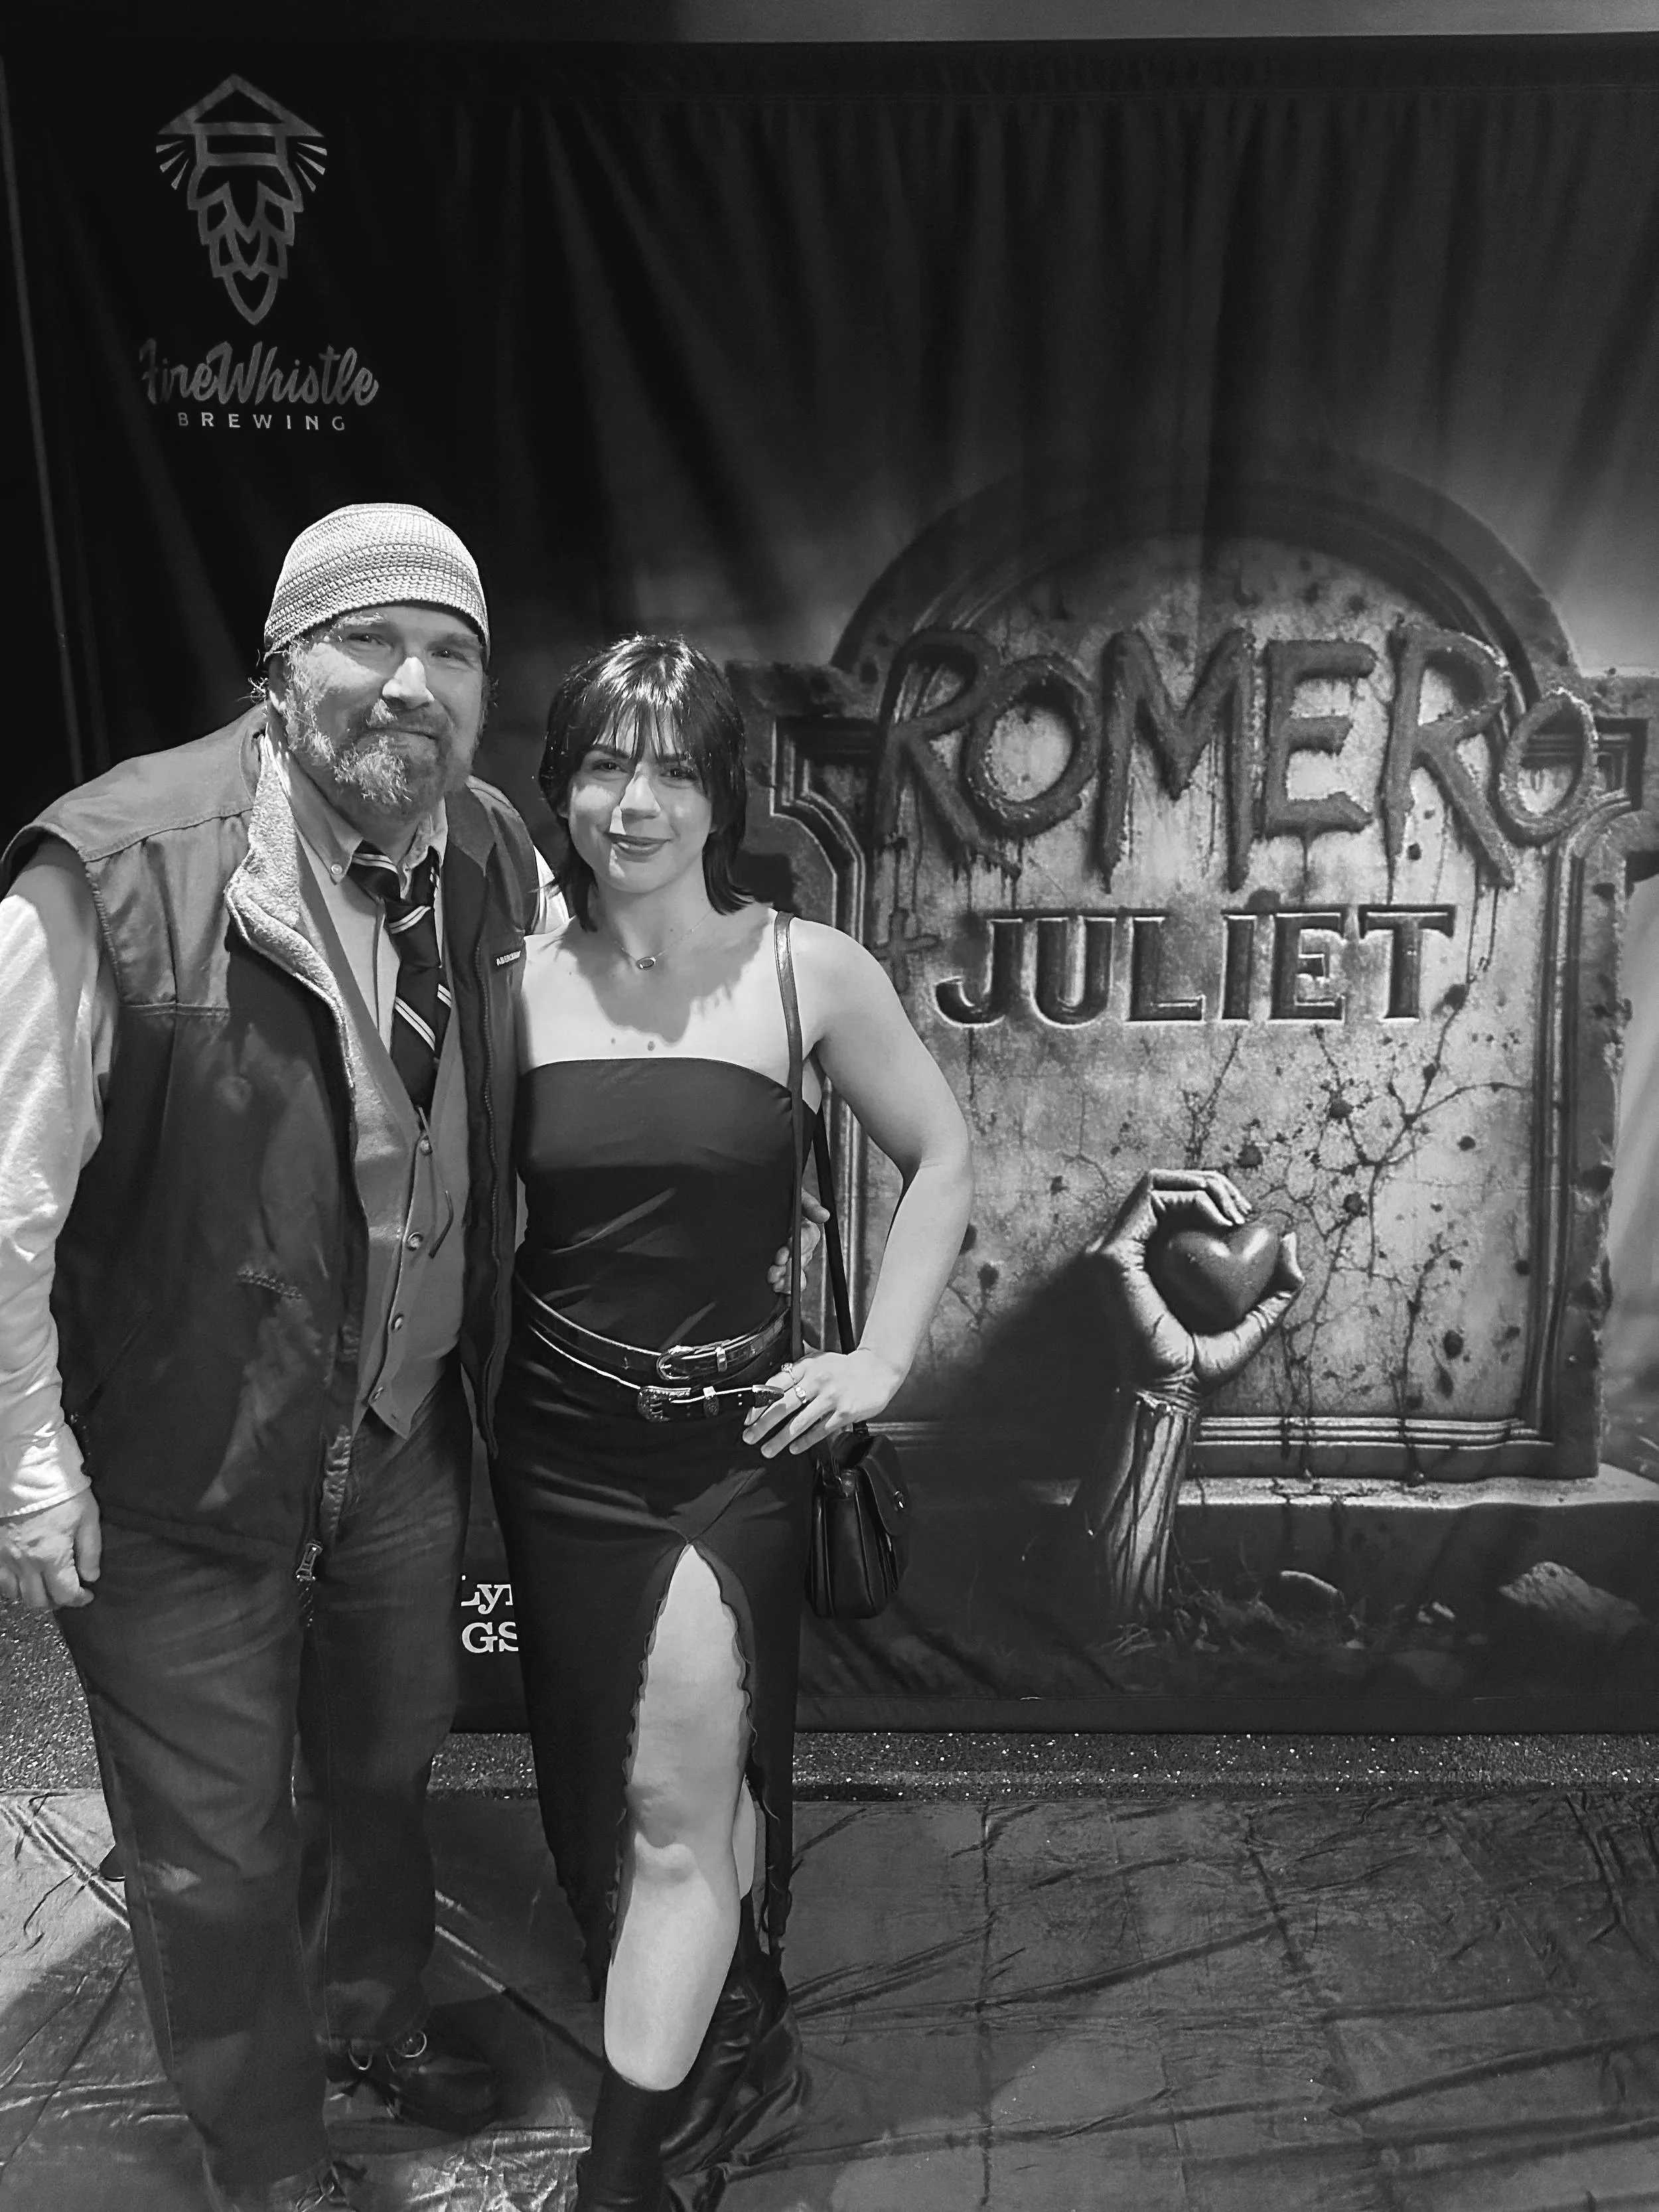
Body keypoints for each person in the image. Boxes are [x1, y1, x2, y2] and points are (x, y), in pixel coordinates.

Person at [0, 505, 553, 2212]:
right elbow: (6, 1207)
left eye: (450, 652)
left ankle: (370, 2013)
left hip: (395, 1439)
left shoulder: (487, 847)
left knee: (383, 1765)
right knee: (213, 1846)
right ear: (280, 666)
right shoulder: (111, 873)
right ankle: (267, 2156)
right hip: (179, 1459)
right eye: (367, 640)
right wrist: (30, 1465)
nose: (411, 685)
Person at [490, 635, 975, 2211]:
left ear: (720, 794)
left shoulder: (802, 968)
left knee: (673, 1810)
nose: (633, 803)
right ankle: (742, 2024)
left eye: (670, 769)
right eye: (602, 766)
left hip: (729, 1456)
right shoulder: (508, 984)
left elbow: (942, 1156)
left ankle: (625, 2171)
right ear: (559, 787)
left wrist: (879, 1359)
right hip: (555, 1453)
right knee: (604, 1803)